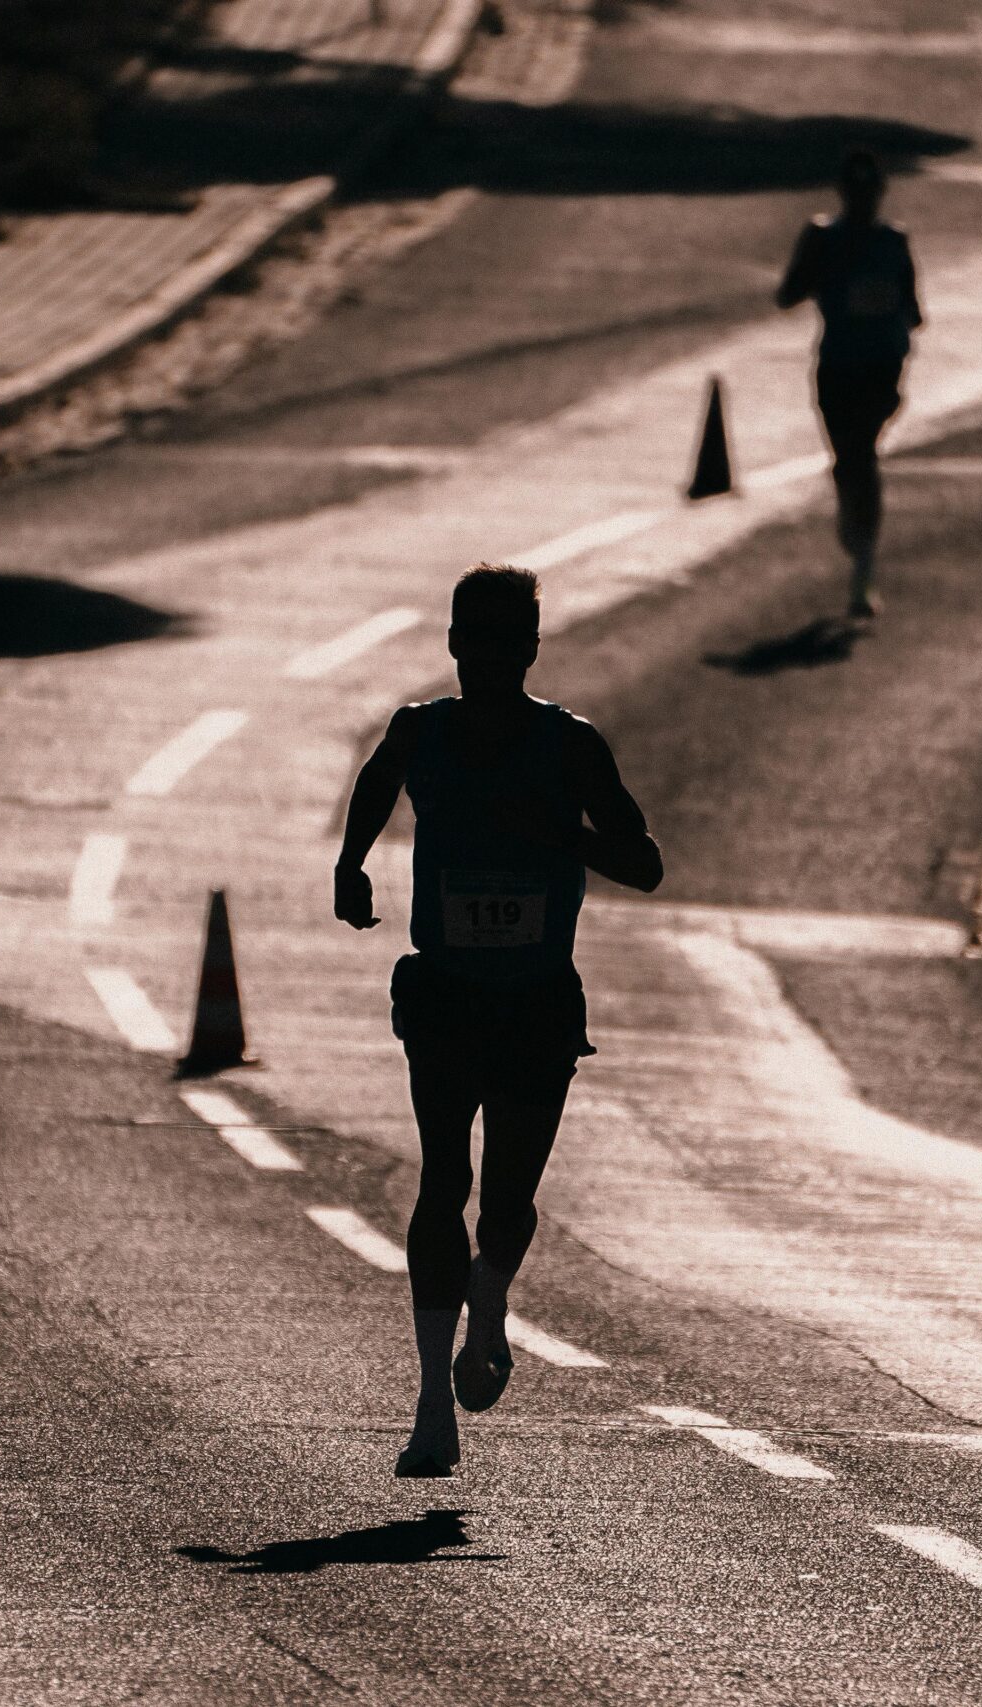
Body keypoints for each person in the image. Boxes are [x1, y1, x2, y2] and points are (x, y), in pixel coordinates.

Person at [332, 565, 663, 1478]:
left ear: (529, 648)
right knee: (443, 1180)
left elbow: (645, 864)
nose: (483, 655)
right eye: (470, 637)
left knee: (507, 1202)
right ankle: (433, 1402)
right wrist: (350, 865)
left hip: (534, 1005)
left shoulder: (571, 747)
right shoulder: (422, 731)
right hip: (443, 993)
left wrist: (564, 838)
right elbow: (378, 775)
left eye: (503, 639)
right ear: (451, 644)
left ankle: (490, 1300)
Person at [776, 148, 924, 627]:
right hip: (838, 364)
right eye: (855, 193)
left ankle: (863, 565)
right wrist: (821, 268)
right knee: (849, 458)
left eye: (870, 193)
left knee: (862, 454)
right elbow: (787, 296)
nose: (863, 201)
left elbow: (914, 310)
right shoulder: (822, 237)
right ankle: (854, 524)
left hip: (880, 365)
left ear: (879, 194)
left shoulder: (894, 243)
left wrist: (883, 310)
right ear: (844, 193)